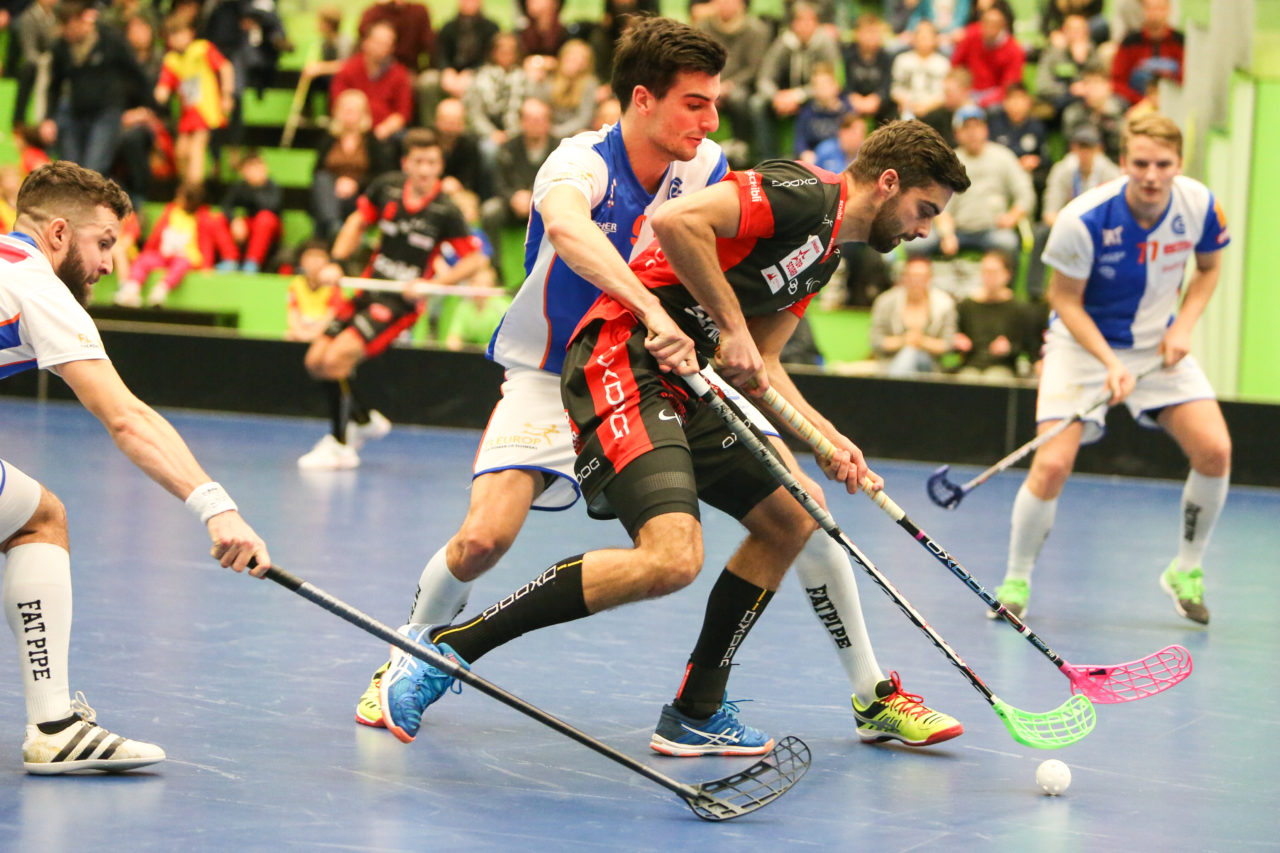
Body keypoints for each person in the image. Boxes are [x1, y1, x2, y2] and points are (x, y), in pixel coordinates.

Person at [353, 23, 967, 752]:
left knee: (797, 511)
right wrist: (709, 323)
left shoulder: (808, 239)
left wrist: (828, 438)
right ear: (643, 100)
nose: (710, 123)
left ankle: (703, 708)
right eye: (695, 104)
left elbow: (762, 365)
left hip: (677, 370)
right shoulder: (600, 162)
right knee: (536, 542)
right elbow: (669, 230)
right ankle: (440, 648)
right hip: (598, 355)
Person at [1, 161, 269, 774]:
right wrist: (217, 509)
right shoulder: (40, 288)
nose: (109, 265)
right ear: (60, 235)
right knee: (39, 521)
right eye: (104, 244)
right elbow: (127, 418)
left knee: (35, 513)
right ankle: (53, 727)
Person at [991, 114, 1231, 625]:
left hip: (1156, 346)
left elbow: (1209, 268)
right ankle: (1015, 580)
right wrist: (1109, 364)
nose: (1151, 175)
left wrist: (1184, 326)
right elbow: (1065, 301)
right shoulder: (1083, 219)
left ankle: (1185, 569)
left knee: (1215, 451)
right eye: (1140, 163)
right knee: (1052, 465)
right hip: (1081, 348)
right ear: (1123, 163)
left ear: (1178, 164)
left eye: (1163, 164)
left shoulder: (1200, 205)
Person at [298, 128, 486, 470]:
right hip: (369, 288)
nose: (425, 170)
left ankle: (340, 446)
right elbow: (357, 223)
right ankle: (363, 418)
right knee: (315, 361)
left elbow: (475, 260)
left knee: (337, 360)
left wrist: (432, 284)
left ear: (440, 166)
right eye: (418, 162)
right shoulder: (386, 187)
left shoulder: (446, 211)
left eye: (431, 162)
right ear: (406, 164)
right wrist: (336, 263)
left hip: (401, 303)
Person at [42, 0, 150, 178]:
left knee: (94, 170)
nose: (67, 33)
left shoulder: (109, 39)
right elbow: (54, 85)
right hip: (76, 112)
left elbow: (135, 74)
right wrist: (49, 118)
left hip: (106, 113)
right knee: (70, 171)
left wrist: (143, 107)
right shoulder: (61, 47)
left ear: (81, 20)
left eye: (69, 26)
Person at [1026, 123, 1120, 299]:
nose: (1084, 153)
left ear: (1098, 149)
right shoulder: (1063, 170)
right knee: (1041, 234)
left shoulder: (1111, 173)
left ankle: (1109, 290)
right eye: (1080, 147)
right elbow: (1049, 212)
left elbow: (1115, 214)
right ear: (1073, 148)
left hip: (1099, 227)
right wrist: (1071, 226)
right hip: (1066, 224)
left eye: (1089, 147)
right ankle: (1035, 294)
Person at [112, 181, 237, 307]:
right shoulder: (171, 211)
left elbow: (218, 242)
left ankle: (161, 290)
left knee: (180, 265)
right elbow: (156, 234)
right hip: (163, 255)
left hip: (186, 257)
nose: (177, 199)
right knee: (143, 260)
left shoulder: (204, 219)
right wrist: (147, 251)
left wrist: (210, 264)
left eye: (180, 197)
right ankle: (131, 290)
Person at [153, 14, 236, 188]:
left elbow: (225, 67)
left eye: (181, 33)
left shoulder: (202, 49)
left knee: (197, 148)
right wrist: (161, 92)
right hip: (187, 113)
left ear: (190, 33)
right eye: (173, 35)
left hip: (206, 109)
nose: (177, 39)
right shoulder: (171, 60)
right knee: (181, 151)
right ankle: (187, 185)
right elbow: (165, 83)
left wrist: (227, 95)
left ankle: (195, 188)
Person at [953, 249, 1041, 378]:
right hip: (971, 365)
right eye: (985, 272)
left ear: (1007, 274)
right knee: (966, 378)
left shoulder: (1020, 308)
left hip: (1003, 366)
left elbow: (1030, 347)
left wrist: (1009, 348)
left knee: (994, 378)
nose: (989, 277)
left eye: (993, 272)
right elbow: (955, 337)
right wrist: (958, 340)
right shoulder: (967, 305)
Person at [330, 20, 414, 153]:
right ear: (365, 42)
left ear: (392, 48)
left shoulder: (399, 74)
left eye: (387, 44)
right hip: (351, 130)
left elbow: (402, 113)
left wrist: (383, 130)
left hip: (384, 134)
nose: (381, 48)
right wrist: (354, 131)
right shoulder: (348, 69)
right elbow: (338, 104)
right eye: (377, 42)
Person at [869, 255, 957, 375]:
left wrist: (921, 341)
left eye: (921, 277)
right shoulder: (886, 301)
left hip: (930, 366)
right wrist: (904, 340)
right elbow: (876, 341)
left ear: (930, 278)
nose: (916, 281)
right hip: (889, 363)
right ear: (904, 277)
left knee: (911, 353)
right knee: (908, 353)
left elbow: (948, 345)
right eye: (912, 276)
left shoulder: (944, 304)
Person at [949, 3, 1023, 108]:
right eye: (986, 23)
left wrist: (983, 101)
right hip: (969, 91)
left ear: (1003, 26)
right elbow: (955, 65)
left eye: (995, 24)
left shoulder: (1014, 49)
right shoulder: (971, 35)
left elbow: (1009, 86)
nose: (989, 28)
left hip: (995, 97)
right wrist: (961, 91)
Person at [220, 149, 282, 273]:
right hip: (247, 227)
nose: (254, 170)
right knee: (217, 220)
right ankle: (230, 259)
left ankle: (252, 263)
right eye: (250, 167)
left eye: (258, 166)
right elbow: (226, 206)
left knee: (265, 219)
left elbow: (270, 207)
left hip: (268, 231)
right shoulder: (239, 186)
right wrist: (234, 220)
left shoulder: (272, 186)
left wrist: (256, 186)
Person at [890, 20, 950, 122]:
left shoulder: (943, 63)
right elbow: (895, 87)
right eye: (920, 35)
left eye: (927, 36)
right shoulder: (902, 60)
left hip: (933, 109)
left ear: (935, 39)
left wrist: (927, 106)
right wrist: (905, 103)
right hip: (906, 106)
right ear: (913, 38)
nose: (923, 39)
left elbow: (944, 93)